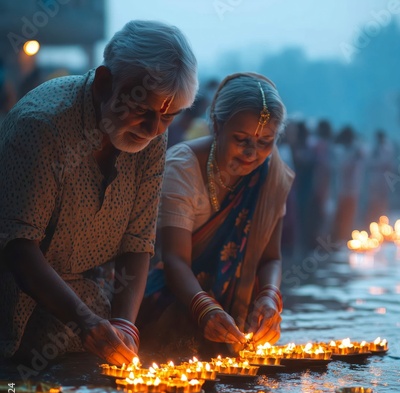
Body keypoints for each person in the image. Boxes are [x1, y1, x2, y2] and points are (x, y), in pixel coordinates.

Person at [0, 20, 198, 367]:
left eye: (169, 117)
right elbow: (19, 248)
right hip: (12, 318)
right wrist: (87, 323)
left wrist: (123, 325)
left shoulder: (151, 135)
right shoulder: (43, 127)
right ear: (106, 83)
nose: (154, 130)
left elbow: (138, 242)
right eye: (142, 110)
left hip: (85, 325)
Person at [139, 73, 295, 358]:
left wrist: (269, 297)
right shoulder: (183, 167)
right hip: (173, 306)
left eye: (265, 142)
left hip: (238, 320)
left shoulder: (272, 175)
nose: (252, 153)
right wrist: (205, 309)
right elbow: (174, 259)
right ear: (217, 124)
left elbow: (271, 258)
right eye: (241, 139)